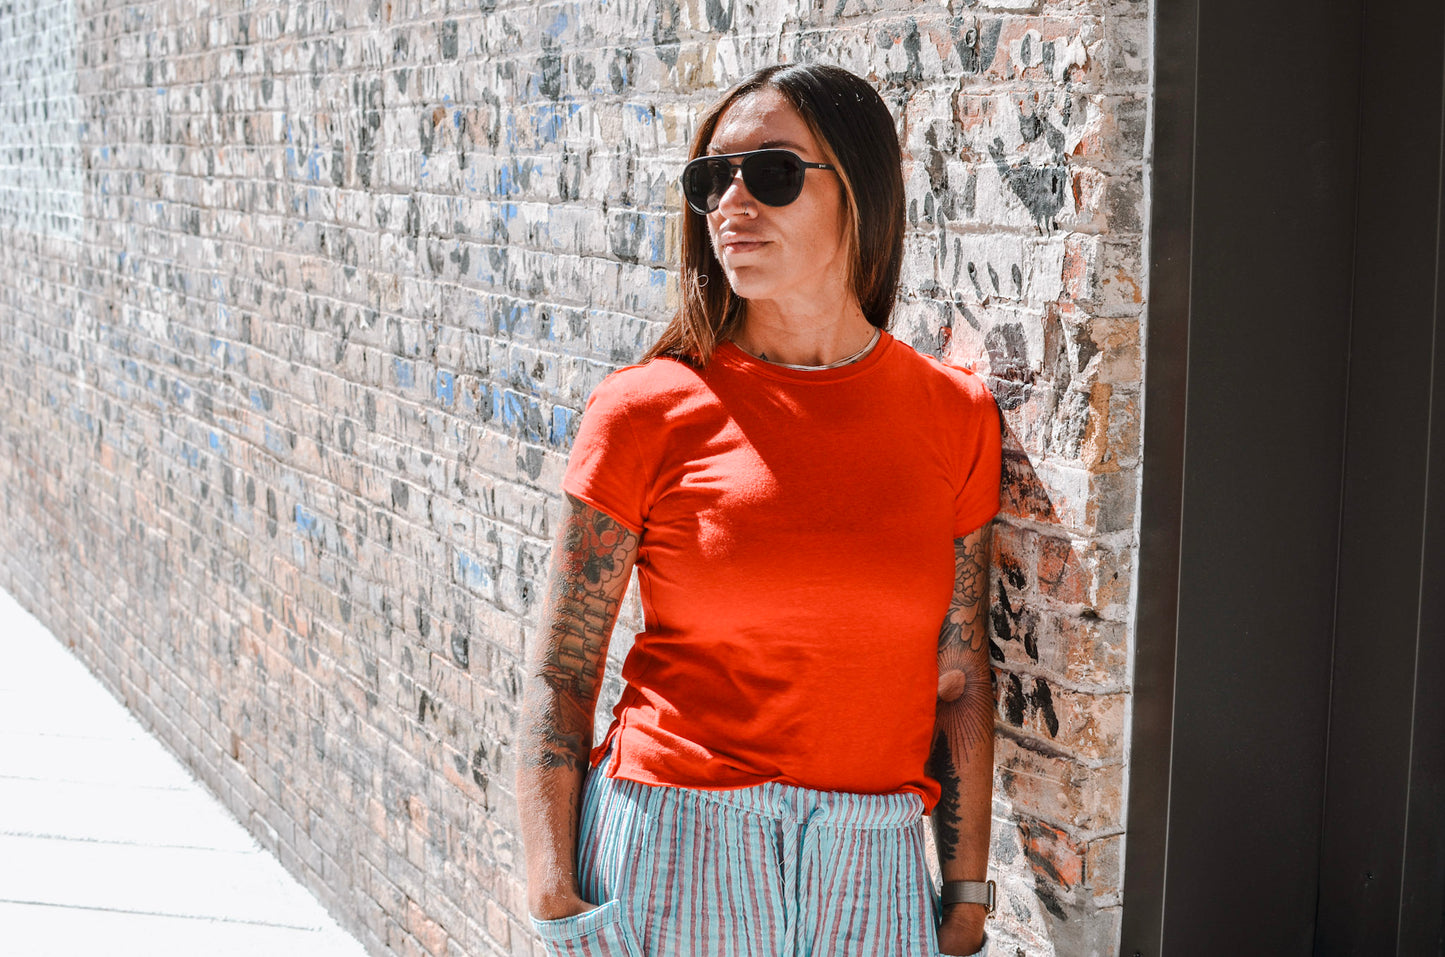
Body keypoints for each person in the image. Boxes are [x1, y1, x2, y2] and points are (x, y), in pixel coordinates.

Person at [516, 62, 1001, 957]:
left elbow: (959, 670)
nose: (732, 203)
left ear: (860, 189)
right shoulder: (645, 407)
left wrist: (965, 893)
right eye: (711, 181)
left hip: (874, 866)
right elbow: (563, 666)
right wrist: (550, 886)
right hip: (675, 844)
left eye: (772, 174)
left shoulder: (952, 413)